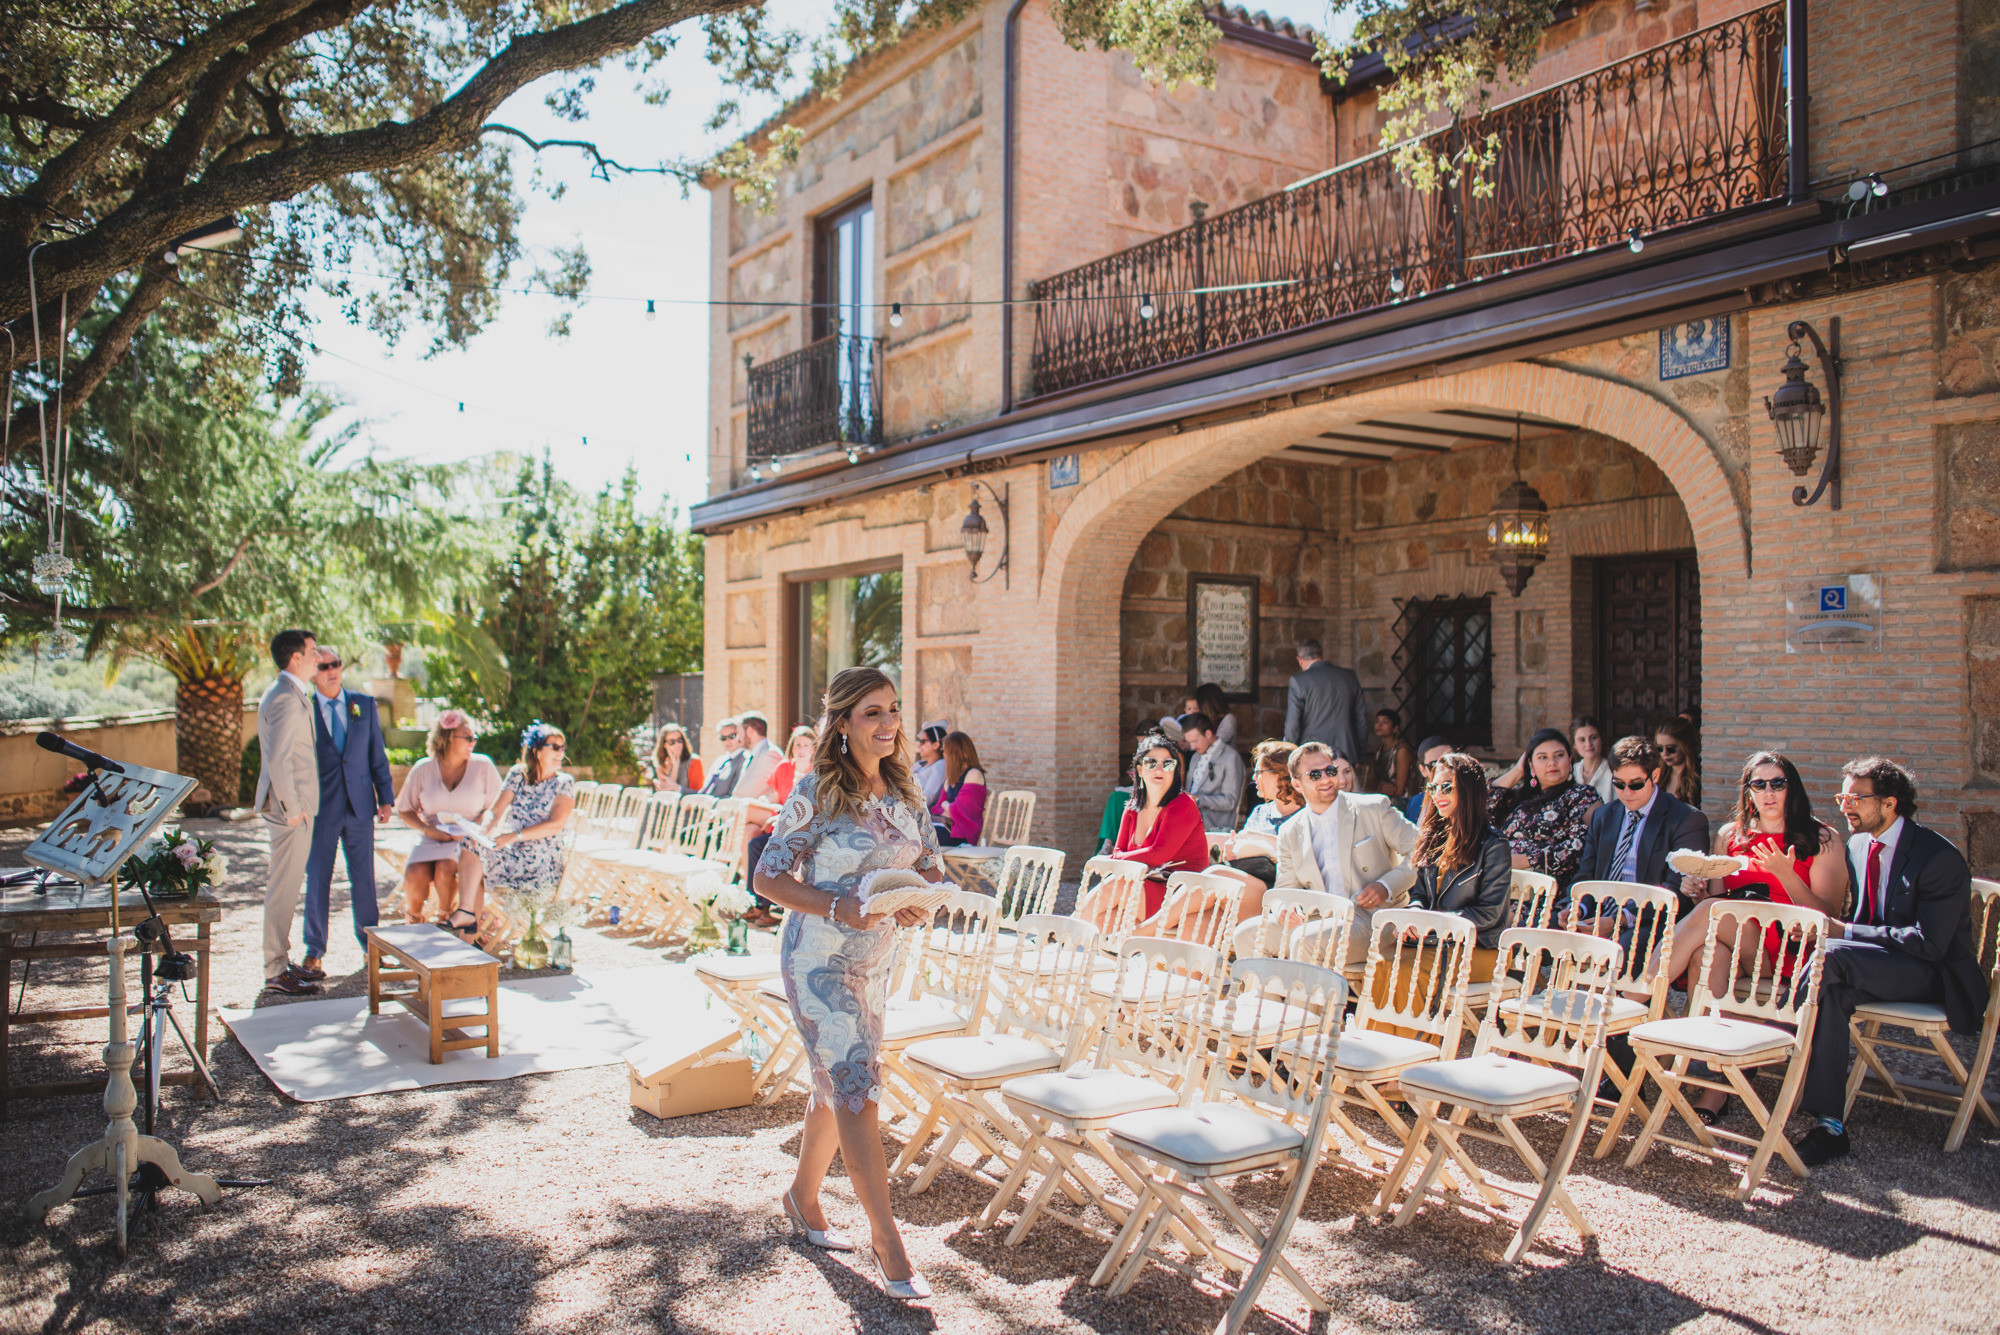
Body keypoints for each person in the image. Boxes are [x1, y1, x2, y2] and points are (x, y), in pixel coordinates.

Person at [752, 665, 941, 1298]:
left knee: (836, 1082)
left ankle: (803, 1197)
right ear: (843, 723)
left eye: (893, 710)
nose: (889, 724)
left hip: (876, 962)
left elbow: (932, 871)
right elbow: (767, 879)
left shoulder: (909, 796)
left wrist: (919, 904)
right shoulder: (816, 793)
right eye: (872, 713)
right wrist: (838, 906)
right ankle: (889, 1242)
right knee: (858, 1084)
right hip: (817, 961)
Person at [1793, 758, 1990, 1167]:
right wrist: (1830, 931)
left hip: (1934, 973)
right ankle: (1830, 1125)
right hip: (1878, 965)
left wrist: (1841, 933)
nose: (1845, 805)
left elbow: (1930, 944)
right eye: (1841, 796)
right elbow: (1863, 922)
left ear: (1889, 803)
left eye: (1855, 797)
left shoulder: (1937, 857)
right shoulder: (1859, 845)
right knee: (1831, 986)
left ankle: (1782, 1048)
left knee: (1830, 960)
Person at [1644, 751, 1847, 1123]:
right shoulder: (1731, 836)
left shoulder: (1822, 838)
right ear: (1748, 791)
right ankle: (1714, 1085)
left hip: (1791, 948)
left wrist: (1786, 874)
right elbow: (1716, 900)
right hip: (1742, 945)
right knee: (1710, 951)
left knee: (1713, 919)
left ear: (1792, 788)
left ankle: (1640, 996)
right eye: (1759, 784)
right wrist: (1697, 891)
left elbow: (1829, 917)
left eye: (1778, 783)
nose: (1768, 792)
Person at [1248, 741, 1417, 968]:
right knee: (1247, 934)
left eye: (1330, 771)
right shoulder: (1291, 830)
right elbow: (1284, 889)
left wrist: (1386, 885)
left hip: (1374, 919)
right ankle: (1266, 1001)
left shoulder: (1373, 807)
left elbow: (1420, 849)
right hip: (1319, 917)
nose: (1326, 779)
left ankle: (1305, 1004)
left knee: (1307, 940)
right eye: (1315, 774)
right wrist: (1282, 908)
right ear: (1297, 784)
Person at [1372, 752, 1512, 1025]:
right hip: (1435, 942)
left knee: (1406, 972)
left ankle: (1403, 1051)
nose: (1438, 794)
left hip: (1480, 948)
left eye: (1447, 786)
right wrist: (1414, 915)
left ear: (1469, 790)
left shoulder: (1494, 845)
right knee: (1380, 961)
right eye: (1433, 787)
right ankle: (1376, 1043)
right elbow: (1421, 895)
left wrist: (1433, 924)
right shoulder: (1433, 837)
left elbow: (1490, 914)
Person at [300, 646, 395, 977]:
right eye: (323, 666)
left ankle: (372, 947)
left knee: (364, 880)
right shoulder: (304, 709)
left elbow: (376, 754)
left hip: (360, 806)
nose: (331, 670)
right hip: (320, 809)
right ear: (312, 672)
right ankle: (314, 951)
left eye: (336, 664)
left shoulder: (364, 704)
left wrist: (386, 798)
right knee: (318, 879)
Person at [455, 722, 578, 931]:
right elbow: (495, 811)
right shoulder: (517, 775)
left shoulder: (564, 782)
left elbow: (555, 825)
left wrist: (514, 836)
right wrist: (483, 830)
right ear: (537, 751)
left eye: (563, 747)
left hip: (542, 865)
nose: (561, 752)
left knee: (475, 871)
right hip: (513, 857)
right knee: (470, 843)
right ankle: (467, 919)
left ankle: (470, 931)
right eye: (555, 747)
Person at [1572, 736, 1710, 919]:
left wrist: (1620, 920)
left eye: (1635, 784)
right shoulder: (1603, 816)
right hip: (1597, 914)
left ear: (1655, 776)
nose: (1627, 793)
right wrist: (1578, 908)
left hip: (1647, 921)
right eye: (1619, 784)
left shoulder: (1687, 820)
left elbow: (1676, 893)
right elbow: (1586, 873)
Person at [393, 711, 505, 934]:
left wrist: (474, 830)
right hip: (431, 838)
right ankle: (414, 924)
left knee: (445, 869)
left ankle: (447, 922)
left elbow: (496, 808)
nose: (473, 742)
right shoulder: (423, 769)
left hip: (469, 841)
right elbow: (404, 809)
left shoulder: (483, 766)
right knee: (414, 874)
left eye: (474, 738)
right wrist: (427, 829)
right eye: (467, 737)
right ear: (446, 739)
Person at [256, 627, 323, 995]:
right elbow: (279, 760)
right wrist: (293, 809)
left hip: (294, 808)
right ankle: (275, 970)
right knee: (282, 888)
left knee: (288, 886)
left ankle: (281, 961)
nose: (318, 657)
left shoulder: (290, 692)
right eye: (313, 651)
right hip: (288, 810)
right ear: (295, 657)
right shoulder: (283, 696)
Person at [1083, 733, 1209, 926]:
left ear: (1175, 770)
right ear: (1140, 770)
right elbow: (1119, 851)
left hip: (1180, 894)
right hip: (1144, 886)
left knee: (1116, 887)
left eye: (1167, 764)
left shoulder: (1183, 805)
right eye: (1152, 763)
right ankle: (1092, 949)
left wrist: (1108, 861)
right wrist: (1114, 859)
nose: (1160, 769)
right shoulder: (1133, 806)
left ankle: (1061, 934)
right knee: (1103, 920)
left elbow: (1158, 854)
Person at [1489, 727, 1600, 887]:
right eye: (1542, 757)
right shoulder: (1521, 797)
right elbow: (1481, 809)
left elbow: (1579, 848)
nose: (1552, 763)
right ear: (1530, 763)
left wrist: (1522, 860)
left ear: (1570, 759)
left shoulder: (1582, 795)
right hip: (1499, 888)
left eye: (1559, 755)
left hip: (1543, 894)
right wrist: (1518, 771)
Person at [745, 725, 819, 928]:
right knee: (754, 843)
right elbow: (773, 796)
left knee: (767, 847)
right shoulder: (784, 767)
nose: (801, 749)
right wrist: (763, 800)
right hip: (781, 825)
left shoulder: (818, 771)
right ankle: (761, 903)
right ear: (791, 748)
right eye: (797, 745)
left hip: (804, 830)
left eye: (806, 745)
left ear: (814, 748)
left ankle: (774, 906)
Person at [1283, 637, 1369, 765]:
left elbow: (1292, 725)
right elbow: (1362, 721)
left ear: (1299, 660)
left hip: (1312, 754)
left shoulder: (1299, 681)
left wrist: (1288, 755)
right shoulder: (1349, 676)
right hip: (1347, 752)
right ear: (1323, 654)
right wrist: (1359, 753)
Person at [1179, 711, 1245, 830]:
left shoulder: (1231, 757)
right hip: (1189, 824)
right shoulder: (1195, 757)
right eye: (1189, 742)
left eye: (1195, 741)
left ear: (1208, 733)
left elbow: (1230, 801)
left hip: (1215, 828)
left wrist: (1198, 799)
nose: (1192, 747)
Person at [929, 731, 989, 847]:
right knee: (914, 833)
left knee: (920, 837)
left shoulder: (974, 774)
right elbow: (936, 808)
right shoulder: (952, 776)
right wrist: (948, 809)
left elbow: (959, 810)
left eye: (944, 750)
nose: (943, 754)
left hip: (961, 834)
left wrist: (946, 805)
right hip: (947, 828)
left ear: (955, 752)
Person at [1655, 714, 1702, 809]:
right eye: (1659, 748)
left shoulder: (1699, 776)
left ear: (1685, 746)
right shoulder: (1658, 775)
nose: (1665, 753)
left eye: (1670, 748)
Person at [1370, 708, 1417, 801]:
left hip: (1401, 801)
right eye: (1377, 721)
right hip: (1382, 798)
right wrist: (1380, 788)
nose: (1379, 725)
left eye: (1385, 722)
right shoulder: (1379, 750)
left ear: (1395, 728)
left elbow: (1399, 790)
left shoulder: (1401, 750)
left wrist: (1381, 788)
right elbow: (1374, 784)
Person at [731, 711, 780, 799]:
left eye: (739, 733)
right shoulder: (750, 755)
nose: (737, 738)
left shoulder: (770, 754)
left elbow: (779, 790)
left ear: (749, 731)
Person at [1406, 735, 1453, 824]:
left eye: (1448, 763)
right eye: (1434, 765)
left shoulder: (1465, 800)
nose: (1441, 769)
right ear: (1423, 770)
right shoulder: (1415, 803)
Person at [700, 717, 747, 796]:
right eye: (723, 738)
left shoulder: (745, 760)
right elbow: (704, 789)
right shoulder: (720, 760)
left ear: (739, 735)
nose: (727, 741)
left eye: (732, 736)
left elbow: (733, 795)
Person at [650, 723, 704, 793]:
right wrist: (675, 766)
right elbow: (667, 794)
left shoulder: (694, 761)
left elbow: (697, 794)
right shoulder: (662, 764)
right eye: (672, 742)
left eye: (679, 740)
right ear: (664, 745)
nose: (677, 744)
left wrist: (677, 788)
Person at [1572, 716, 1612, 804]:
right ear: (1574, 745)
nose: (1588, 744)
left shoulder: (1613, 772)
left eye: (1593, 738)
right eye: (1582, 740)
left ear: (1601, 739)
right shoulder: (1570, 772)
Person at [914, 720, 950, 807]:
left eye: (922, 741)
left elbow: (928, 798)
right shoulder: (919, 764)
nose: (919, 745)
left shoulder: (940, 766)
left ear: (936, 745)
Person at [1192, 683, 1238, 750]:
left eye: (1198, 705)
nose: (1197, 709)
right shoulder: (1205, 720)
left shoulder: (1229, 719)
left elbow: (1216, 744)